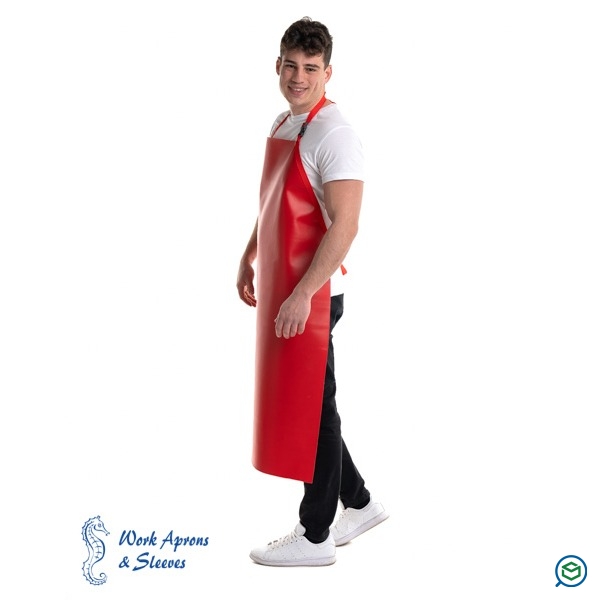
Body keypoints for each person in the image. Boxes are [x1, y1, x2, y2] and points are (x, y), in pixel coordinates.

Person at [236, 16, 388, 567]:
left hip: (315, 294)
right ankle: (360, 504)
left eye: (311, 68)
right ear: (277, 65)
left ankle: (316, 534)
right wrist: (250, 255)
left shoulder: (335, 134)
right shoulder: (285, 122)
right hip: (285, 286)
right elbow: (274, 202)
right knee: (314, 402)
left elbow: (345, 226)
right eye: (291, 66)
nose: (298, 77)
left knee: (314, 409)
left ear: (328, 72)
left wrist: (303, 294)